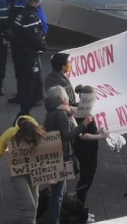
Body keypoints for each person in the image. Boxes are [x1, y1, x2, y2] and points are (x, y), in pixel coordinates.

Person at [43, 86, 92, 224]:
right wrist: (84, 124)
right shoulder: (61, 114)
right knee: (58, 194)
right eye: (65, 97)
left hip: (53, 154)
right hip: (61, 157)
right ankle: (54, 221)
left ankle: (56, 218)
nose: (67, 99)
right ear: (61, 98)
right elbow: (67, 135)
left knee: (59, 191)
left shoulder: (51, 113)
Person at [0, 115, 45, 223]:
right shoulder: (11, 132)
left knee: (35, 200)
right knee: (29, 204)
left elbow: (48, 151)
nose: (28, 140)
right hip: (18, 173)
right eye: (26, 138)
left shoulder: (38, 132)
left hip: (33, 171)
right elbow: (1, 143)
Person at [6, 0, 49, 103]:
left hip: (30, 43)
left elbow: (40, 19)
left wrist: (40, 38)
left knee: (33, 71)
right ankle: (21, 94)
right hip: (17, 42)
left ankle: (35, 96)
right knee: (19, 70)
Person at [71, 85, 109, 207]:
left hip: (87, 150)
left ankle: (80, 207)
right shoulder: (80, 112)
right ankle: (79, 208)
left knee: (87, 178)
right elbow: (82, 135)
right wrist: (100, 137)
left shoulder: (80, 108)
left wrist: (98, 131)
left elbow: (89, 130)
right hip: (85, 150)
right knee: (86, 179)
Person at [11, 0, 46, 116]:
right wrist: (42, 46)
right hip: (29, 56)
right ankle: (24, 111)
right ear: (36, 3)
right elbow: (34, 37)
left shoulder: (21, 14)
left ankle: (23, 110)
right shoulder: (30, 16)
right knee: (37, 88)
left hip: (20, 54)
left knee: (24, 83)